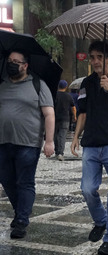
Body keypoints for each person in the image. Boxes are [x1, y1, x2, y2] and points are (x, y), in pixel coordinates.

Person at [71, 41, 108, 255]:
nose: (95, 61)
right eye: (92, 57)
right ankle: (101, 220)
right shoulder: (86, 83)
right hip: (91, 145)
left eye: (99, 57)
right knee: (87, 189)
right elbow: (83, 113)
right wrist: (76, 136)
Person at [0, 50, 55, 239]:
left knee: (24, 182)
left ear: (25, 65)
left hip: (29, 143)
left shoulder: (38, 84)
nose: (11, 64)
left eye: (16, 61)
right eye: (9, 61)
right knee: (6, 180)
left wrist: (49, 141)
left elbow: (49, 114)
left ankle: (22, 220)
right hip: (2, 142)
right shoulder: (2, 84)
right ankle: (20, 211)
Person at [54, 80, 77, 161]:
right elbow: (73, 108)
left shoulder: (54, 95)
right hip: (65, 119)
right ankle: (60, 153)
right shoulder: (68, 96)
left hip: (54, 118)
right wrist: (74, 116)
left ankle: (56, 151)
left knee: (55, 135)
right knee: (62, 136)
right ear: (66, 87)